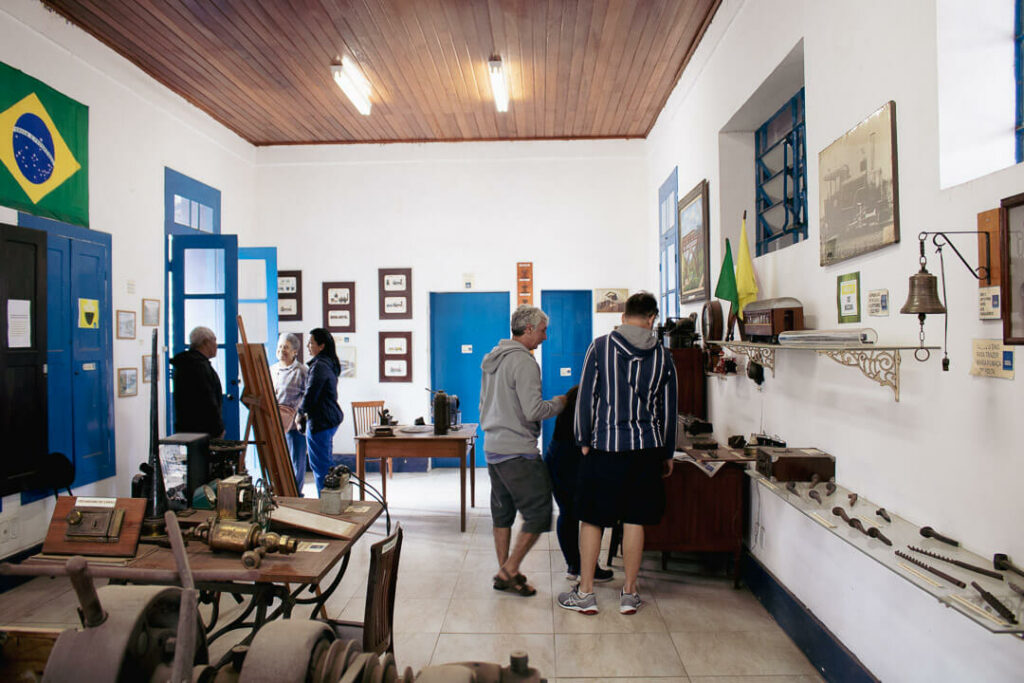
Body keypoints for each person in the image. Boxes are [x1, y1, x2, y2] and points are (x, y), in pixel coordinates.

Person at [558, 291, 677, 615]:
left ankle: (585, 593)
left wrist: (583, 438)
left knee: (592, 519)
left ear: (624, 316)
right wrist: (667, 451)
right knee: (636, 520)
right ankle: (629, 593)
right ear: (651, 318)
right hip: (646, 450)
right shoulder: (664, 357)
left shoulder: (600, 347)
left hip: (605, 448)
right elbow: (668, 409)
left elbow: (586, 396)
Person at [479, 305, 566, 597]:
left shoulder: (491, 359)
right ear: (528, 329)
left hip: (492, 448)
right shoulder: (525, 363)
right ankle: (509, 570)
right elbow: (534, 410)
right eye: (542, 331)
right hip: (517, 452)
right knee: (540, 513)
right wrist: (561, 403)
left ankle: (506, 574)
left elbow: (483, 405)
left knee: (502, 514)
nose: (545, 337)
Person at [544, 385, 614, 584]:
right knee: (592, 514)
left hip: (558, 455)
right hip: (573, 456)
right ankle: (587, 567)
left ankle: (575, 566)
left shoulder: (577, 390)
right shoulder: (602, 395)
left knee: (568, 513)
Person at [301, 328, 344, 494]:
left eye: (311, 343)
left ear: (321, 346)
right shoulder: (329, 363)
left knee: (320, 468)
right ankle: (332, 501)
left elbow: (311, 395)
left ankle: (326, 505)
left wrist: (299, 414)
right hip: (330, 419)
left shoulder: (319, 366)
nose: (308, 346)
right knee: (325, 463)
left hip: (320, 421)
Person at [170, 326, 225, 438]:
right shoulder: (198, 366)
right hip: (202, 432)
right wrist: (218, 429)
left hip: (189, 430)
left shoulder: (187, 363)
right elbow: (207, 401)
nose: (216, 345)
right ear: (205, 342)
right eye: (214, 341)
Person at [271, 332, 308, 493]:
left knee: (295, 462)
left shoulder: (302, 370)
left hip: (294, 424)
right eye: (279, 346)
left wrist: (296, 414)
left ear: (295, 351)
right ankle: (280, 492)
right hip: (274, 422)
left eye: (286, 347)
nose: (281, 350)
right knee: (276, 460)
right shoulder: (272, 369)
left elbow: (307, 395)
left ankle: (295, 493)